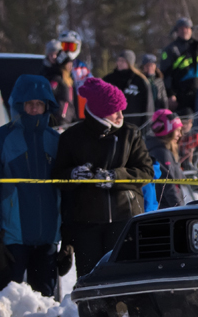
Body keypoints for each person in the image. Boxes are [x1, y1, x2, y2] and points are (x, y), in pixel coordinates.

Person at [53, 78, 154, 277]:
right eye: (114, 110)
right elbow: (57, 176)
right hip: (86, 222)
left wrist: (116, 177)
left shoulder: (130, 134)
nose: (120, 115)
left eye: (121, 109)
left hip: (124, 218)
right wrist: (73, 175)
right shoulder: (71, 137)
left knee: (123, 277)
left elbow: (146, 171)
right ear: (98, 111)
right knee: (90, 276)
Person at [0, 75, 64, 298]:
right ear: (19, 105)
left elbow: (67, 191)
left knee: (45, 304)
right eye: (29, 104)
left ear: (47, 105)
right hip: (11, 239)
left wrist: (68, 239)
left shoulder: (56, 141)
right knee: (8, 303)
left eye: (39, 104)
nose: (35, 109)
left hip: (48, 237)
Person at [160, 17, 198, 115]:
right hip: (180, 95)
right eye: (181, 28)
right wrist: (170, 94)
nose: (185, 31)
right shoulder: (170, 49)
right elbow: (166, 73)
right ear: (177, 31)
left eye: (187, 28)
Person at [145, 110, 186, 209]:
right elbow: (169, 186)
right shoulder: (162, 153)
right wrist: (180, 209)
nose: (180, 135)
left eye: (180, 131)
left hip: (164, 207)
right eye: (177, 130)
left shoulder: (162, 151)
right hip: (166, 208)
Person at [102, 50, 154, 125]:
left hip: (134, 123)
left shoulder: (140, 81)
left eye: (123, 61)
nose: (119, 63)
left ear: (130, 63)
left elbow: (148, 104)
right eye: (118, 60)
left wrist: (146, 123)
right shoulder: (109, 79)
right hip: (112, 122)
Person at [42, 30, 82, 123]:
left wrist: (76, 118)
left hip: (69, 119)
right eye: (65, 47)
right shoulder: (52, 74)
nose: (68, 51)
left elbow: (72, 101)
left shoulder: (76, 73)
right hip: (59, 119)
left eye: (71, 47)